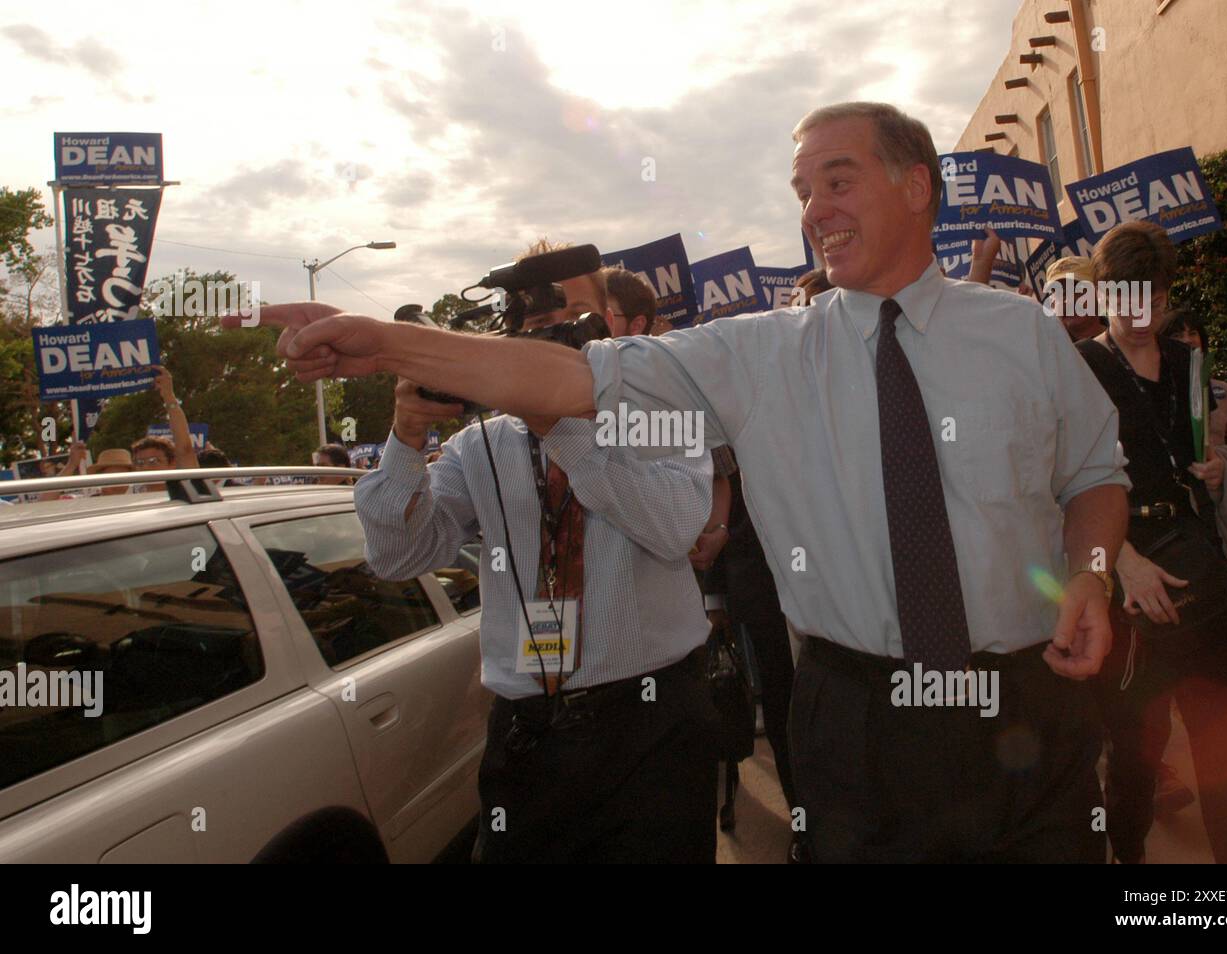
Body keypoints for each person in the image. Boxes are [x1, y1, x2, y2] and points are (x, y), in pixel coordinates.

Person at [231, 101, 1132, 863]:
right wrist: (387, 343)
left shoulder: (1024, 335)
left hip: (1033, 707)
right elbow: (576, 380)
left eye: (838, 179)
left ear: (917, 185)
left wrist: (1089, 569)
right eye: (803, 191)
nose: (815, 208)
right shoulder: (761, 354)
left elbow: (1094, 472)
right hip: (858, 725)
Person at [352, 241, 719, 864]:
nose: (548, 334)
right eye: (528, 324)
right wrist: (407, 438)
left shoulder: (667, 417)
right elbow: (396, 559)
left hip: (653, 725)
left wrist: (561, 426)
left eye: (568, 315)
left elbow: (673, 529)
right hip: (530, 734)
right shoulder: (480, 446)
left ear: (613, 325)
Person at [1076, 220, 1227, 864]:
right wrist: (1121, 564)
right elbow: (1055, 488)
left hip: (1205, 582)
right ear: (1101, 293)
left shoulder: (1191, 362)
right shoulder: (1079, 369)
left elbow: (1196, 455)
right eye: (1125, 298)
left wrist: (1213, 470)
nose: (1140, 315)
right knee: (1136, 759)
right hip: (1130, 601)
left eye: (1154, 300)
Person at [1162, 309, 1227, 471]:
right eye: (1177, 335)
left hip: (1217, 483)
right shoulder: (1152, 389)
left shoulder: (1222, 390)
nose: (1187, 340)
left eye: (1193, 333)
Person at [1045, 255, 1104, 343]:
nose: (1068, 300)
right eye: (1059, 293)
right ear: (1052, 304)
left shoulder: (1127, 338)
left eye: (1076, 289)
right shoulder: (1049, 353)